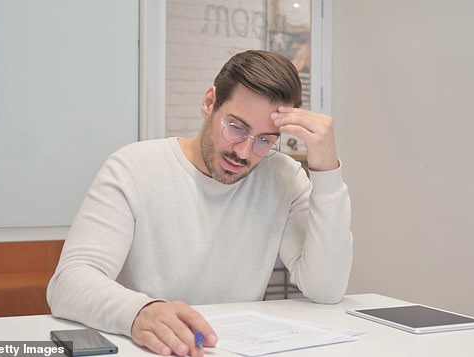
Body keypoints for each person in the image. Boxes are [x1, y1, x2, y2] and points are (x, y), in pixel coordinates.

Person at [46, 50, 352, 357]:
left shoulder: (283, 177)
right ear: (209, 102)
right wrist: (140, 312)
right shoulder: (134, 167)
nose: (244, 152)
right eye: (236, 127)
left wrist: (326, 171)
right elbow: (69, 283)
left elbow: (325, 289)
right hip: (149, 349)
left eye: (265, 140)